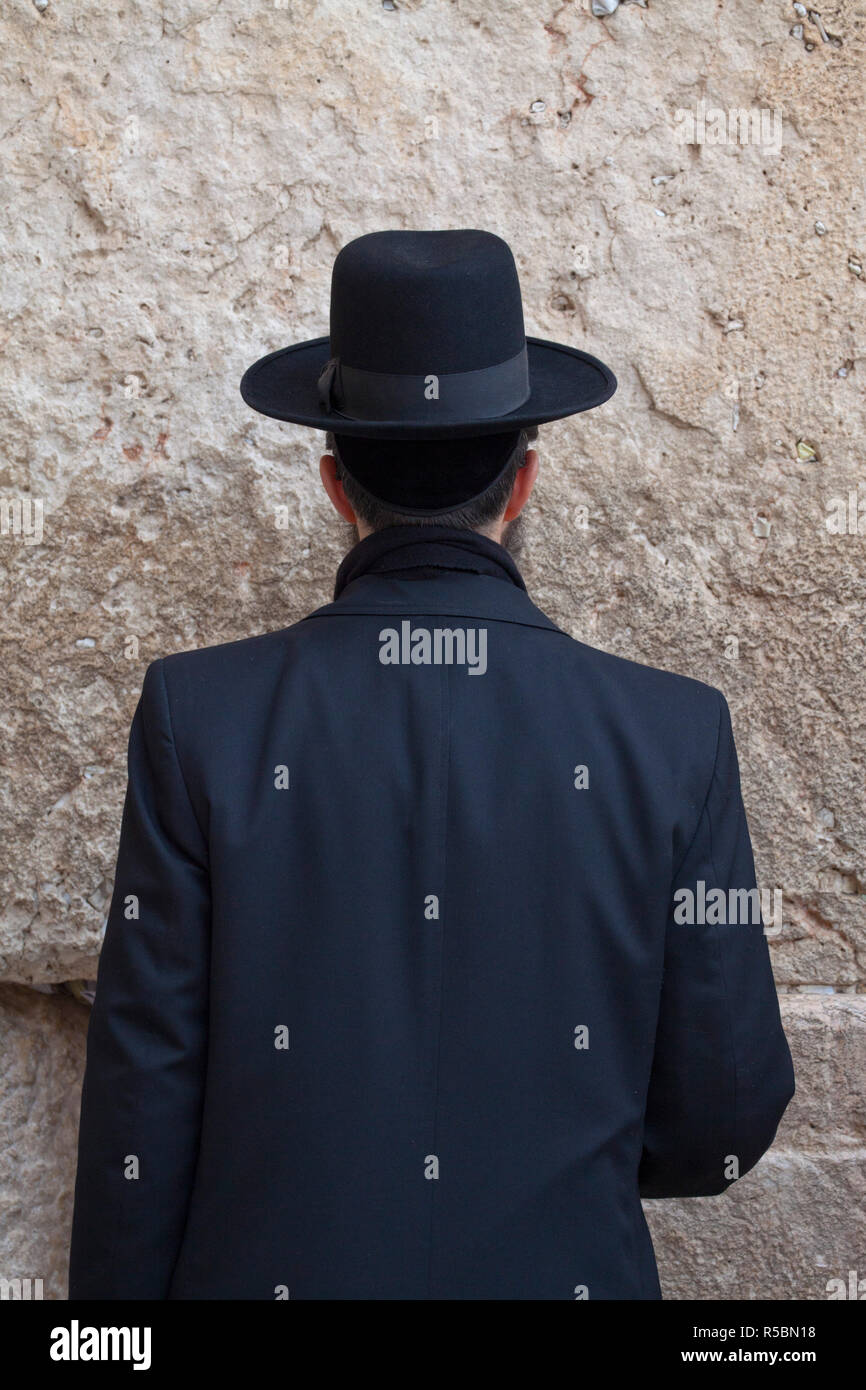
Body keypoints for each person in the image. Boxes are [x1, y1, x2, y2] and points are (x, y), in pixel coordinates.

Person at [68, 229, 794, 1300]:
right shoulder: (673, 733)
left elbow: (145, 1101)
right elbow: (722, 1114)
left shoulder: (199, 717)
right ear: (525, 480)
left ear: (332, 481)